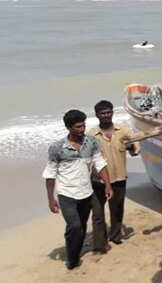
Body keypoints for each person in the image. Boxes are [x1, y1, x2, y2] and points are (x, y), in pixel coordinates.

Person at [43, 109, 111, 270]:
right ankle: (72, 259)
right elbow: (50, 174)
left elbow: (99, 163)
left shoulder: (92, 142)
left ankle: (75, 252)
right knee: (74, 226)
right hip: (66, 195)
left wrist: (108, 184)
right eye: (78, 127)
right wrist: (51, 199)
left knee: (81, 226)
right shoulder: (57, 148)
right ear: (68, 128)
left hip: (86, 193)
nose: (82, 130)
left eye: (83, 126)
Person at [88, 100, 140, 253]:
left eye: (108, 112)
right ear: (97, 115)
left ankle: (115, 236)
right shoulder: (91, 134)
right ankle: (99, 244)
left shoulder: (123, 130)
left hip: (118, 179)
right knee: (97, 214)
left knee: (117, 210)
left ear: (112, 112)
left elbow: (135, 151)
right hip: (98, 182)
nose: (106, 115)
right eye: (102, 113)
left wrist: (130, 144)